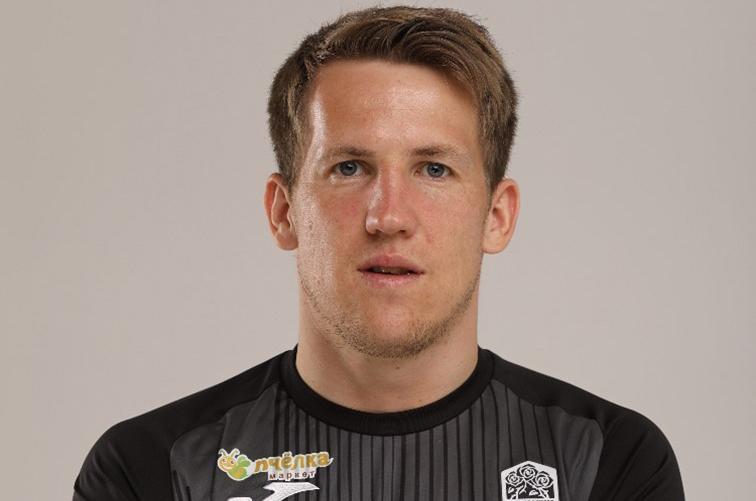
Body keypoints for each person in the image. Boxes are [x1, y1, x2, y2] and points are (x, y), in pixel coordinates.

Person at [73, 6, 684, 501]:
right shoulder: (153, 470)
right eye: (349, 167)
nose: (389, 216)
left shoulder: (607, 461)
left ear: (496, 217)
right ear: (283, 211)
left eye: (434, 169)